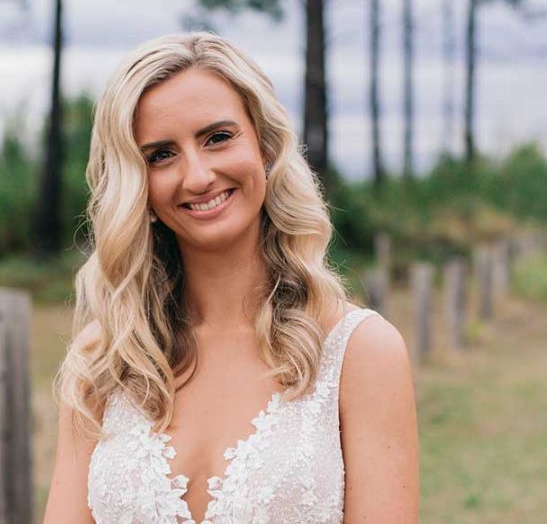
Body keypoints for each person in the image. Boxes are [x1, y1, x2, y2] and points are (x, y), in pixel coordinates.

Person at [43, 31, 419, 524]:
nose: (197, 176)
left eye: (217, 138)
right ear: (138, 185)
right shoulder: (104, 360)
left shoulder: (361, 353)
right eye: (161, 154)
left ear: (264, 146)